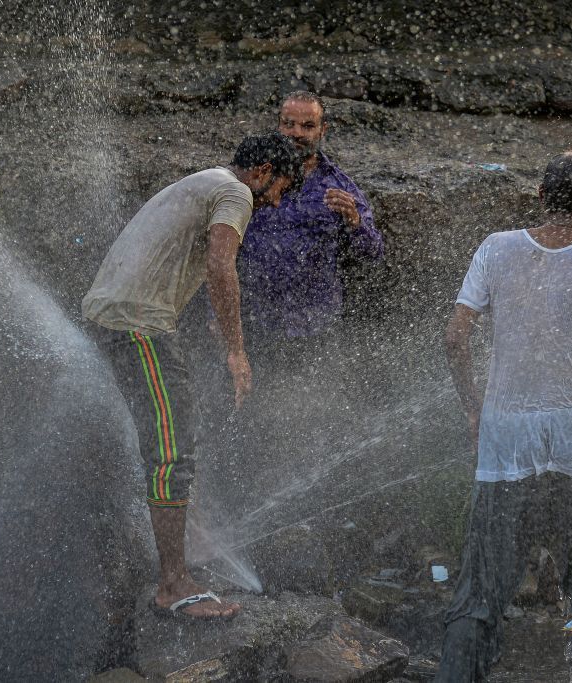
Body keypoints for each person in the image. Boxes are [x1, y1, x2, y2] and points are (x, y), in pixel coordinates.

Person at [436, 151, 572, 682]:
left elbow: (455, 338)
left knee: (479, 596)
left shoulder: (496, 248)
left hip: (505, 444)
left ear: (540, 195)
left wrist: (475, 409)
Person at [81, 132, 301, 620]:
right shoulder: (237, 192)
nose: (274, 202)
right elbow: (222, 267)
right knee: (171, 452)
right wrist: (237, 352)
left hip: (117, 319)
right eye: (279, 190)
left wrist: (213, 319)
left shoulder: (207, 181)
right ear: (263, 171)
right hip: (138, 326)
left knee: (168, 434)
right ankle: (173, 585)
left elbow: (184, 256)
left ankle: (175, 549)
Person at [238, 91, 384, 342]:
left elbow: (373, 254)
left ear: (322, 130)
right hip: (251, 321)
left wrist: (355, 222)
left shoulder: (339, 187)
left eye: (307, 126)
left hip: (314, 328)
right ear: (278, 125)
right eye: (289, 124)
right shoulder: (252, 177)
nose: (296, 133)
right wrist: (216, 314)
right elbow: (219, 250)